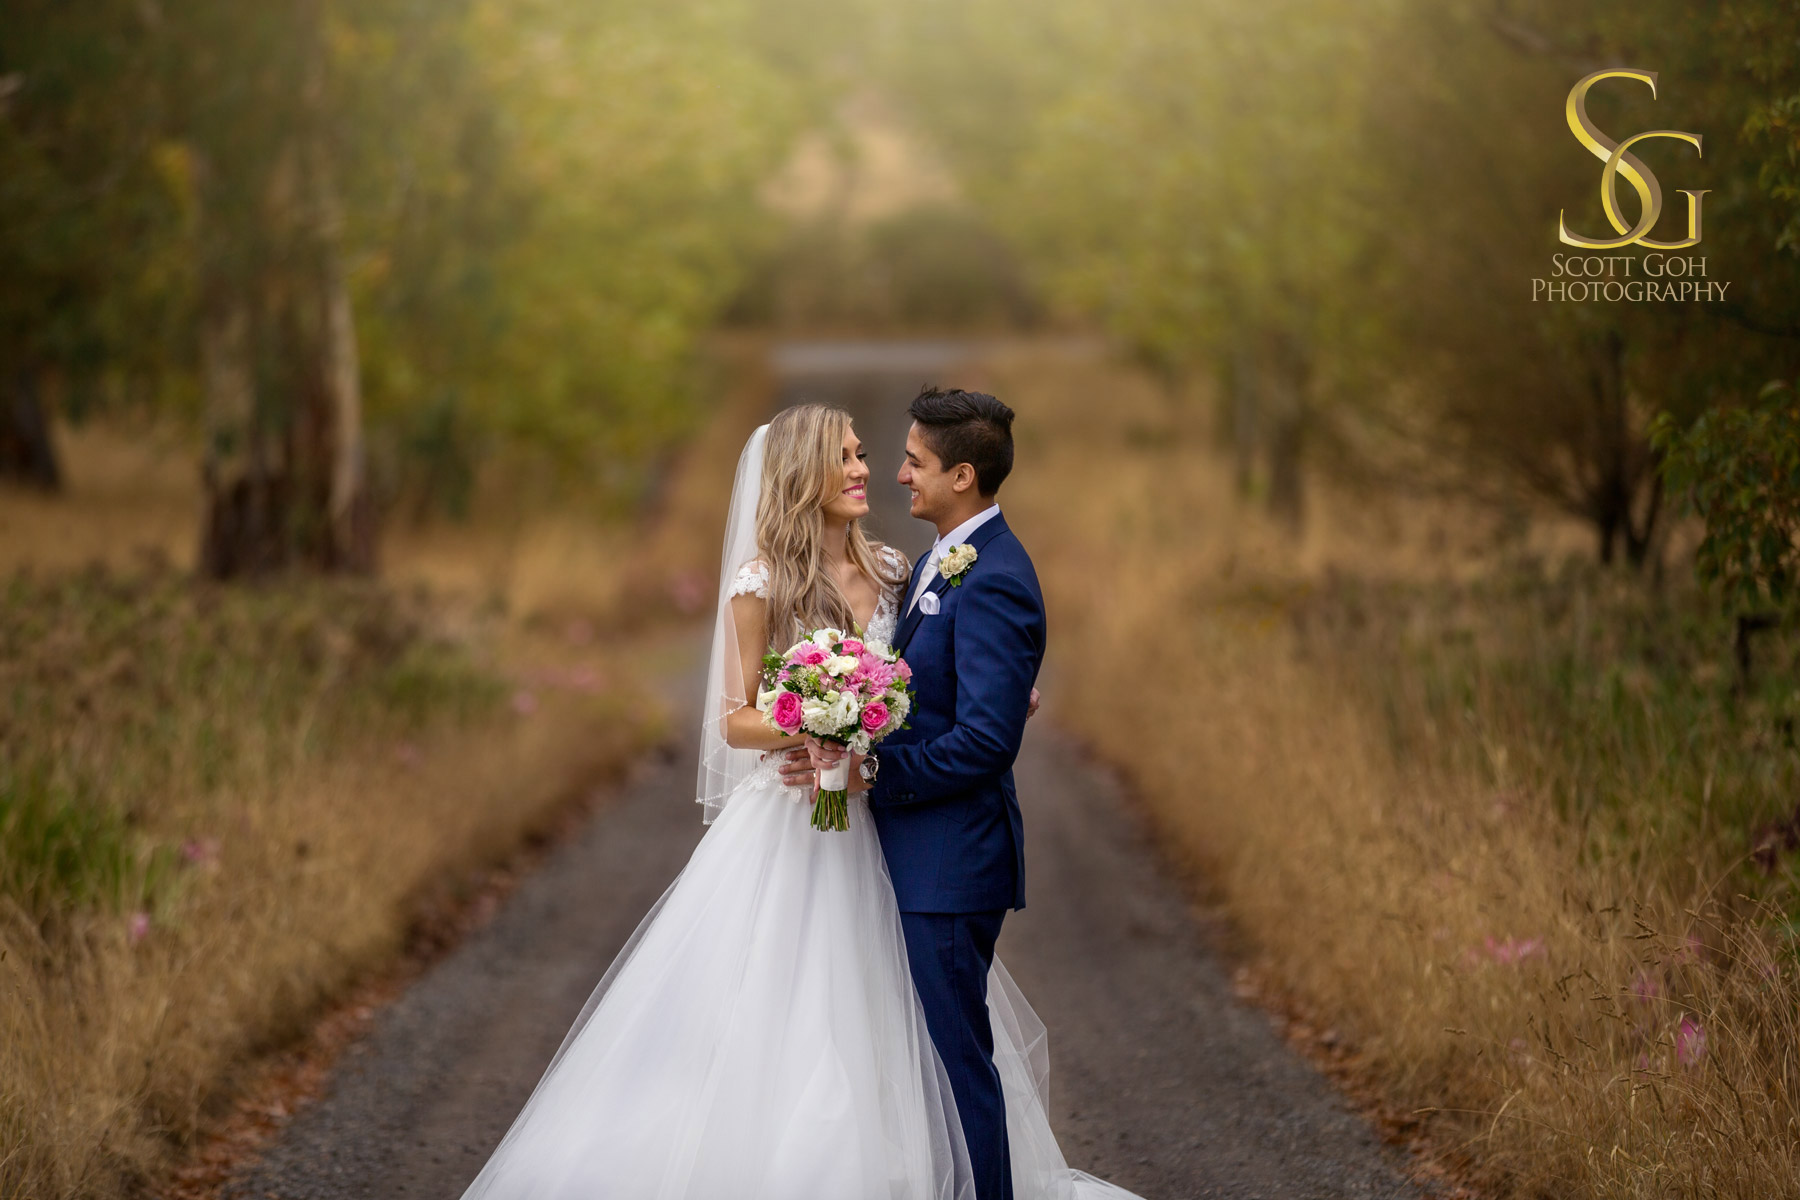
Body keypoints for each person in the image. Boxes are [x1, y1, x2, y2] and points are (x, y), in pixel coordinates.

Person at [455, 401, 1145, 1200]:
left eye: (867, 455)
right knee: (787, 1021)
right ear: (802, 472)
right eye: (846, 456)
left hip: (881, 828)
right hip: (795, 824)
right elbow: (734, 718)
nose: (868, 469)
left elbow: (932, 676)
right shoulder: (761, 583)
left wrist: (989, 701)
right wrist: (815, 721)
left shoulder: (898, 569)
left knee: (902, 1027)